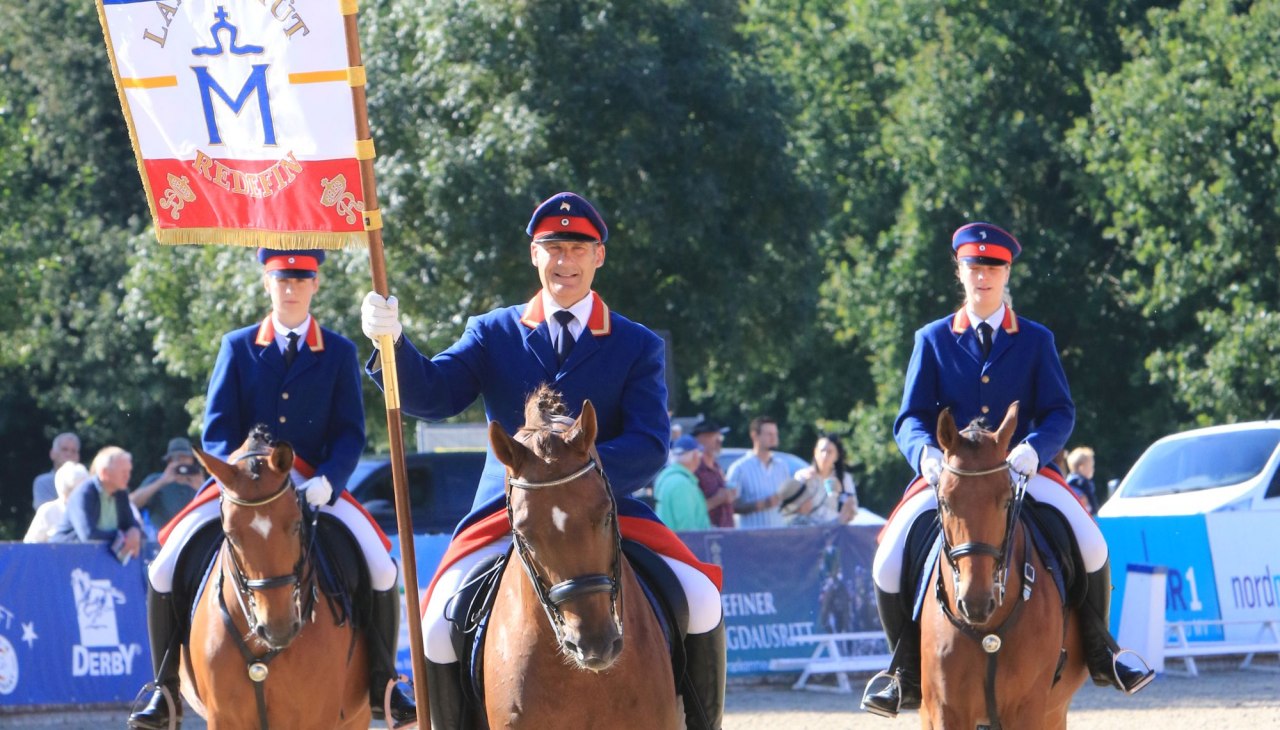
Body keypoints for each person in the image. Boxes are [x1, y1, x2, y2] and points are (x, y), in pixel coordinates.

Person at [360, 192, 727, 730]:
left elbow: (650, 444)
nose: (565, 260)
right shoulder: (493, 331)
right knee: (438, 622)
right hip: (509, 513)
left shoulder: (636, 344)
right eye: (552, 247)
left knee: (701, 599)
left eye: (578, 247)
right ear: (535, 255)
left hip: (606, 509)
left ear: (599, 256)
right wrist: (392, 345)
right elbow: (434, 396)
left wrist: (578, 480)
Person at [861, 222, 1153, 718]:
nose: (983, 276)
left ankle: (1104, 652)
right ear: (960, 270)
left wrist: (1034, 450)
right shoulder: (932, 339)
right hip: (950, 475)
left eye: (992, 267)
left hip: (1021, 469)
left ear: (1006, 272)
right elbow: (910, 416)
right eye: (974, 267)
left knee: (1091, 541)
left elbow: (1060, 410)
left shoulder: (1035, 339)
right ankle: (903, 671)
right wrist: (926, 455)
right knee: (888, 558)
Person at [128, 249, 415, 730]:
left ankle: (386, 683)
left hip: (310, 482)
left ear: (315, 284)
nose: (290, 287)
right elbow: (216, 429)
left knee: (381, 566)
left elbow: (350, 432)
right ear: (267, 282)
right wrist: (237, 473)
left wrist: (329, 480)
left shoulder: (340, 351)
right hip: (242, 487)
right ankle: (164, 689)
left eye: (300, 279)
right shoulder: (238, 346)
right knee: (164, 566)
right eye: (281, 278)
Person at [50, 447, 143, 563]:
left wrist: (134, 530)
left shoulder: (121, 494)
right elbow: (89, 535)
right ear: (104, 473)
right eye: (123, 472)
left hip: (95, 561)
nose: (128, 476)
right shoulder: (84, 494)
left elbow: (130, 524)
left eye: (129, 471)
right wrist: (122, 537)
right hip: (64, 559)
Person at [130, 437, 204, 531]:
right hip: (163, 539)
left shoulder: (198, 481)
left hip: (194, 535)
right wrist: (162, 482)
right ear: (169, 461)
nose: (181, 462)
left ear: (192, 460)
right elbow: (131, 503)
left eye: (185, 457)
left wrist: (201, 487)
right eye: (177, 458)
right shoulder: (156, 480)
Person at [726, 416, 788, 529]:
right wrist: (763, 504)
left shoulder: (782, 466)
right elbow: (731, 506)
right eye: (769, 434)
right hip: (752, 538)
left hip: (779, 536)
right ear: (755, 435)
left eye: (775, 434)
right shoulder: (739, 468)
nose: (774, 438)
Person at [786, 434, 859, 526]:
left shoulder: (844, 479)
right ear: (815, 452)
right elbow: (791, 509)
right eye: (822, 451)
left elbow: (853, 510)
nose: (824, 455)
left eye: (829, 452)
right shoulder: (802, 475)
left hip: (834, 531)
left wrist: (845, 501)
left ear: (837, 456)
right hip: (808, 530)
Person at [24, 461, 91, 543]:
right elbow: (30, 546)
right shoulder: (48, 511)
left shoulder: (93, 510)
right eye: (76, 491)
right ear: (63, 492)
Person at [655, 435, 712, 531]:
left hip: (668, 542)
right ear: (695, 456)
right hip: (681, 544)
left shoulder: (666, 479)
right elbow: (688, 530)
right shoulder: (682, 484)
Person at [691, 419, 736, 528]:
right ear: (700, 439)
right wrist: (716, 500)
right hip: (708, 535)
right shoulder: (694, 469)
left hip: (726, 531)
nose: (719, 442)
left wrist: (730, 495)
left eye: (720, 437)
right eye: (713, 437)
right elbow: (690, 509)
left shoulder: (716, 466)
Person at [32, 432, 80, 510]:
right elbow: (47, 513)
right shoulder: (44, 482)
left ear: (78, 457)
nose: (69, 454)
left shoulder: (85, 482)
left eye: (73, 451)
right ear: (52, 454)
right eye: (64, 449)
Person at [1067, 446, 1101, 516]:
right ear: (1081, 467)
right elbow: (1088, 499)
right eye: (1091, 466)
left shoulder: (1070, 481)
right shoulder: (1080, 482)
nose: (1093, 469)